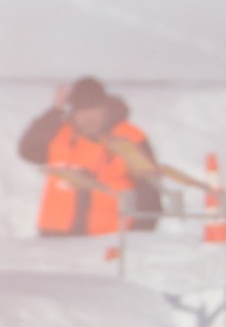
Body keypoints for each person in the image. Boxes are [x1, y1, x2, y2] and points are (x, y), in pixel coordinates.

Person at [19, 77, 162, 237]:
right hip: (56, 238)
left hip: (109, 239)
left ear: (106, 109)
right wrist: (55, 112)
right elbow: (28, 151)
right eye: (82, 111)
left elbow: (150, 193)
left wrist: (136, 238)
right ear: (72, 112)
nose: (88, 118)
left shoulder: (130, 138)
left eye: (94, 109)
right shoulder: (58, 133)